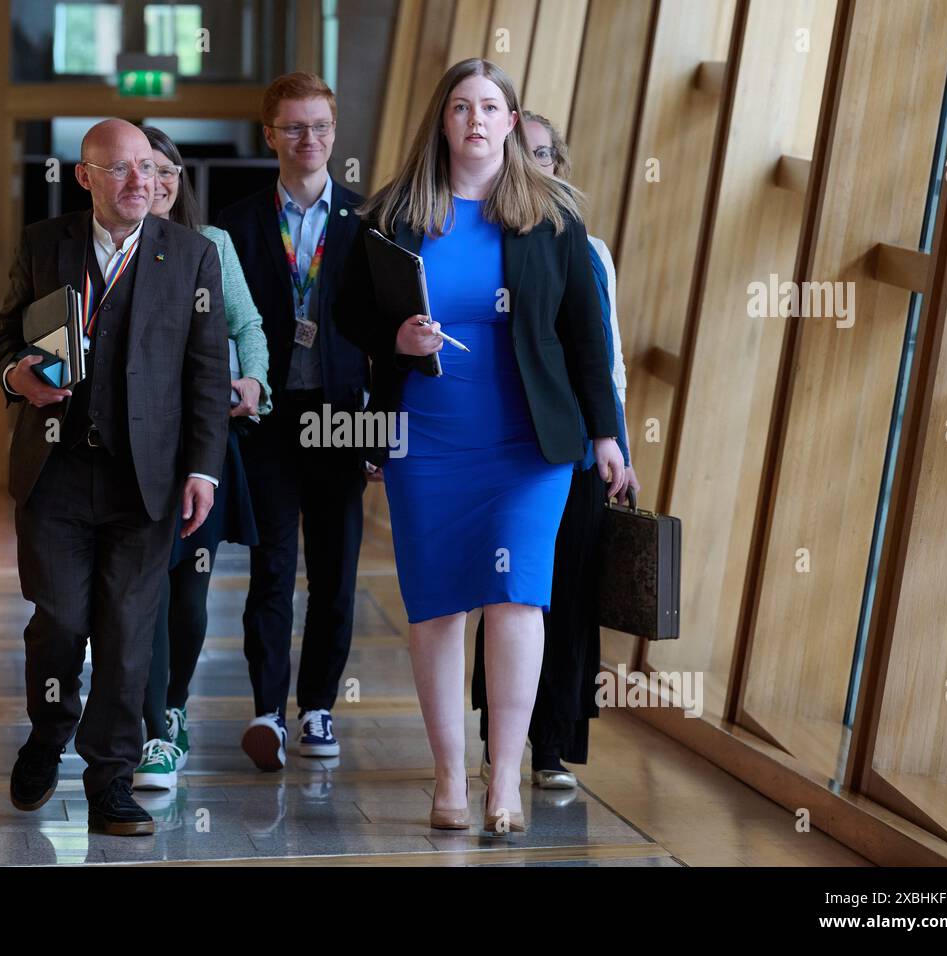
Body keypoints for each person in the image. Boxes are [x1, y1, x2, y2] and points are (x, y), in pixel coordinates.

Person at [333, 59, 625, 835]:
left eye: (490, 108)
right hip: (426, 437)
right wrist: (394, 335)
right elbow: (349, 313)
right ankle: (448, 779)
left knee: (517, 596)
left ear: (510, 120)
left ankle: (504, 781)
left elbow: (585, 335)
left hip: (530, 444)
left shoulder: (552, 216)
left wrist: (607, 435)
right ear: (443, 120)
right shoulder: (394, 213)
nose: (476, 120)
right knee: (436, 608)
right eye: (461, 106)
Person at [0, 119, 228, 835]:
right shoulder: (44, 243)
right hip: (56, 472)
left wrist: (203, 471)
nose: (139, 182)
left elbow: (208, 374)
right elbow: (5, 336)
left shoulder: (191, 256)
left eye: (149, 169)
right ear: (84, 176)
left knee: (128, 635)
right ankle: (47, 731)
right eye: (119, 169)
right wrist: (17, 376)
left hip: (146, 482)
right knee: (60, 621)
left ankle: (110, 781)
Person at [473, 109, 640, 790]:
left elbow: (609, 354)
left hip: (580, 443)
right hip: (512, 440)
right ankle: (504, 736)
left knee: (569, 589)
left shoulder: (587, 247)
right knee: (513, 593)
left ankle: (555, 742)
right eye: (524, 154)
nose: (536, 167)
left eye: (545, 155)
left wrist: (617, 443)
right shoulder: (495, 243)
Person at [216, 72, 368, 771]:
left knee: (335, 573)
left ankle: (320, 709)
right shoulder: (239, 223)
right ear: (269, 134)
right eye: (295, 127)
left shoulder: (367, 223)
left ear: (335, 135)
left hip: (342, 419)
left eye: (321, 127)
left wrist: (381, 433)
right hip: (271, 420)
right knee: (273, 569)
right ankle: (268, 712)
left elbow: (385, 335)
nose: (310, 139)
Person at [132, 125, 273, 789]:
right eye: (141, 169)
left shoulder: (210, 245)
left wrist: (254, 381)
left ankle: (171, 712)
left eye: (166, 171)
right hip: (130, 453)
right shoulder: (111, 249)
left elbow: (247, 327)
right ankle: (150, 727)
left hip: (203, 447)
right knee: (140, 593)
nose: (155, 183)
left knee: (187, 595)